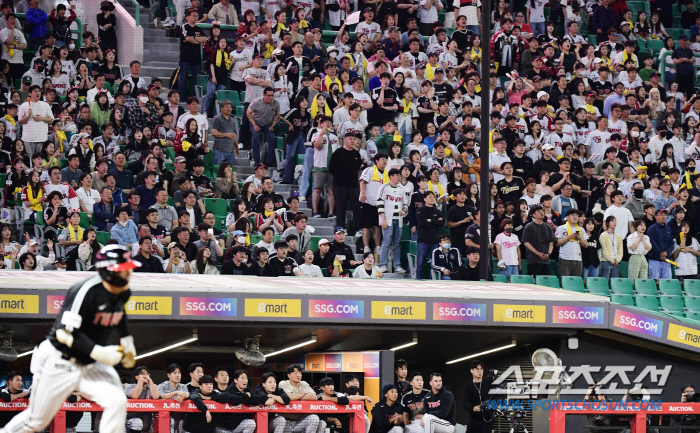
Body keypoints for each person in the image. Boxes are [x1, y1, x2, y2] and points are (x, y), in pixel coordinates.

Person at [0, 245, 139, 433]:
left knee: (116, 400)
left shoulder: (123, 291)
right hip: (59, 358)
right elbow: (64, 333)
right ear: (106, 271)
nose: (128, 273)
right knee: (37, 421)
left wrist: (127, 340)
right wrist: (99, 352)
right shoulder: (86, 291)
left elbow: (118, 313)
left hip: (87, 361)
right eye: (123, 270)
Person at [247, 87, 281, 166]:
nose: (270, 97)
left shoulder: (275, 103)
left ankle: (269, 161)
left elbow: (278, 114)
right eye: (268, 95)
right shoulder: (256, 102)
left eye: (272, 95)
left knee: (272, 138)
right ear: (264, 95)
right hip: (256, 122)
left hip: (267, 124)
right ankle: (256, 160)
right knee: (256, 136)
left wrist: (273, 125)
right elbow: (248, 113)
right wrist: (254, 125)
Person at [178, 8, 207, 100]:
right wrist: (197, 40)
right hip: (185, 58)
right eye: (193, 15)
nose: (196, 17)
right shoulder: (184, 26)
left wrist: (193, 39)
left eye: (197, 16)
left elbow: (205, 39)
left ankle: (195, 98)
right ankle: (181, 98)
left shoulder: (198, 28)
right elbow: (187, 39)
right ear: (187, 17)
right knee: (183, 78)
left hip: (196, 59)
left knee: (196, 79)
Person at [416, 191, 444, 279]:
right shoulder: (420, 210)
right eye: (430, 197)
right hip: (423, 240)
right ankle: (419, 280)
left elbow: (442, 223)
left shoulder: (437, 211)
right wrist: (435, 221)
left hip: (434, 240)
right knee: (421, 262)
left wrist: (431, 220)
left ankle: (433, 280)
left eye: (433, 197)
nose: (432, 199)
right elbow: (422, 222)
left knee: (434, 263)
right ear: (425, 199)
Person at [522, 205, 556, 275]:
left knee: (547, 282)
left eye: (542, 211)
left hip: (546, 260)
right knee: (533, 282)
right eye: (538, 211)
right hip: (533, 260)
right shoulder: (529, 226)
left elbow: (551, 242)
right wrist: (538, 253)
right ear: (534, 215)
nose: (542, 213)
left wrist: (548, 254)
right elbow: (526, 242)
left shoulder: (548, 227)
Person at [462, 360, 494, 433]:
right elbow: (465, 403)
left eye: (481, 369)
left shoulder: (489, 384)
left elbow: (496, 396)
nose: (480, 371)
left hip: (487, 420)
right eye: (477, 369)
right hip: (474, 420)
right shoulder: (468, 387)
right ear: (471, 370)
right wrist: (473, 408)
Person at [555, 208, 589, 277]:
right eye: (573, 215)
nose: (575, 217)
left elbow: (586, 245)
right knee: (564, 280)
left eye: (577, 215)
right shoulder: (561, 228)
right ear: (567, 217)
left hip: (578, 259)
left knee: (576, 282)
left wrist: (579, 238)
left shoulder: (581, 229)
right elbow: (557, 243)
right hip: (565, 258)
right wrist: (568, 237)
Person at [647, 209, 675, 279]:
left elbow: (671, 243)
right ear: (656, 217)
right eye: (661, 215)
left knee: (667, 283)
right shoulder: (651, 228)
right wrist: (660, 253)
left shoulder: (669, 229)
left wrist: (666, 252)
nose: (663, 217)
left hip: (666, 260)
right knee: (654, 281)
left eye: (665, 215)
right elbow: (652, 242)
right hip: (655, 259)